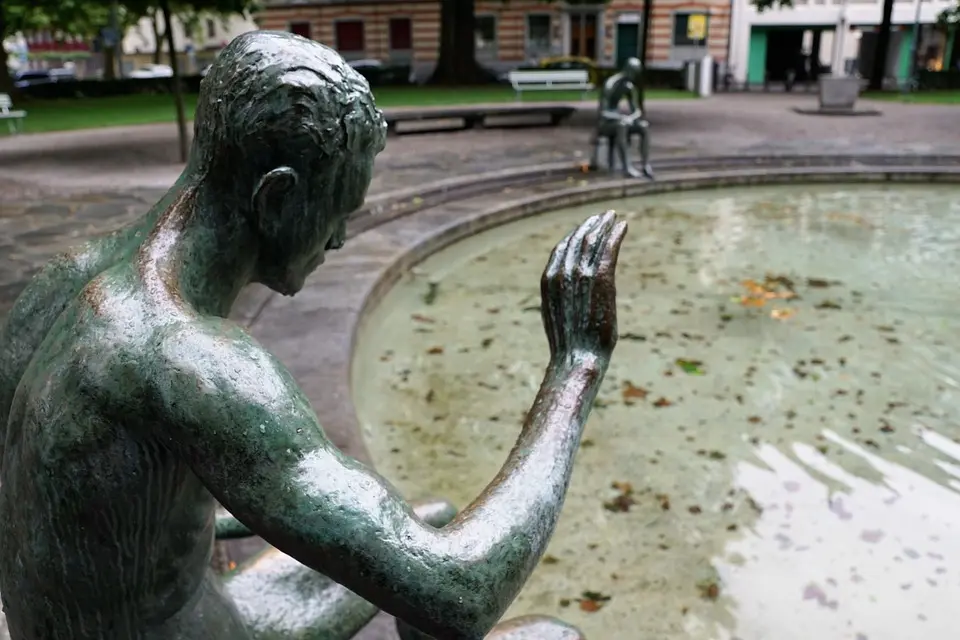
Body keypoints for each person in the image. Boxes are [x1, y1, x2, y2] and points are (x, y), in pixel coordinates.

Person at [0, 31, 626, 639]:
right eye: (339, 211)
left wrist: (192, 517)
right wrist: (576, 363)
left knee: (423, 520)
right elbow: (461, 593)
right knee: (549, 632)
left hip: (160, 616)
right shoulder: (191, 361)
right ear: (276, 198)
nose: (339, 239)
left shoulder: (66, 282)